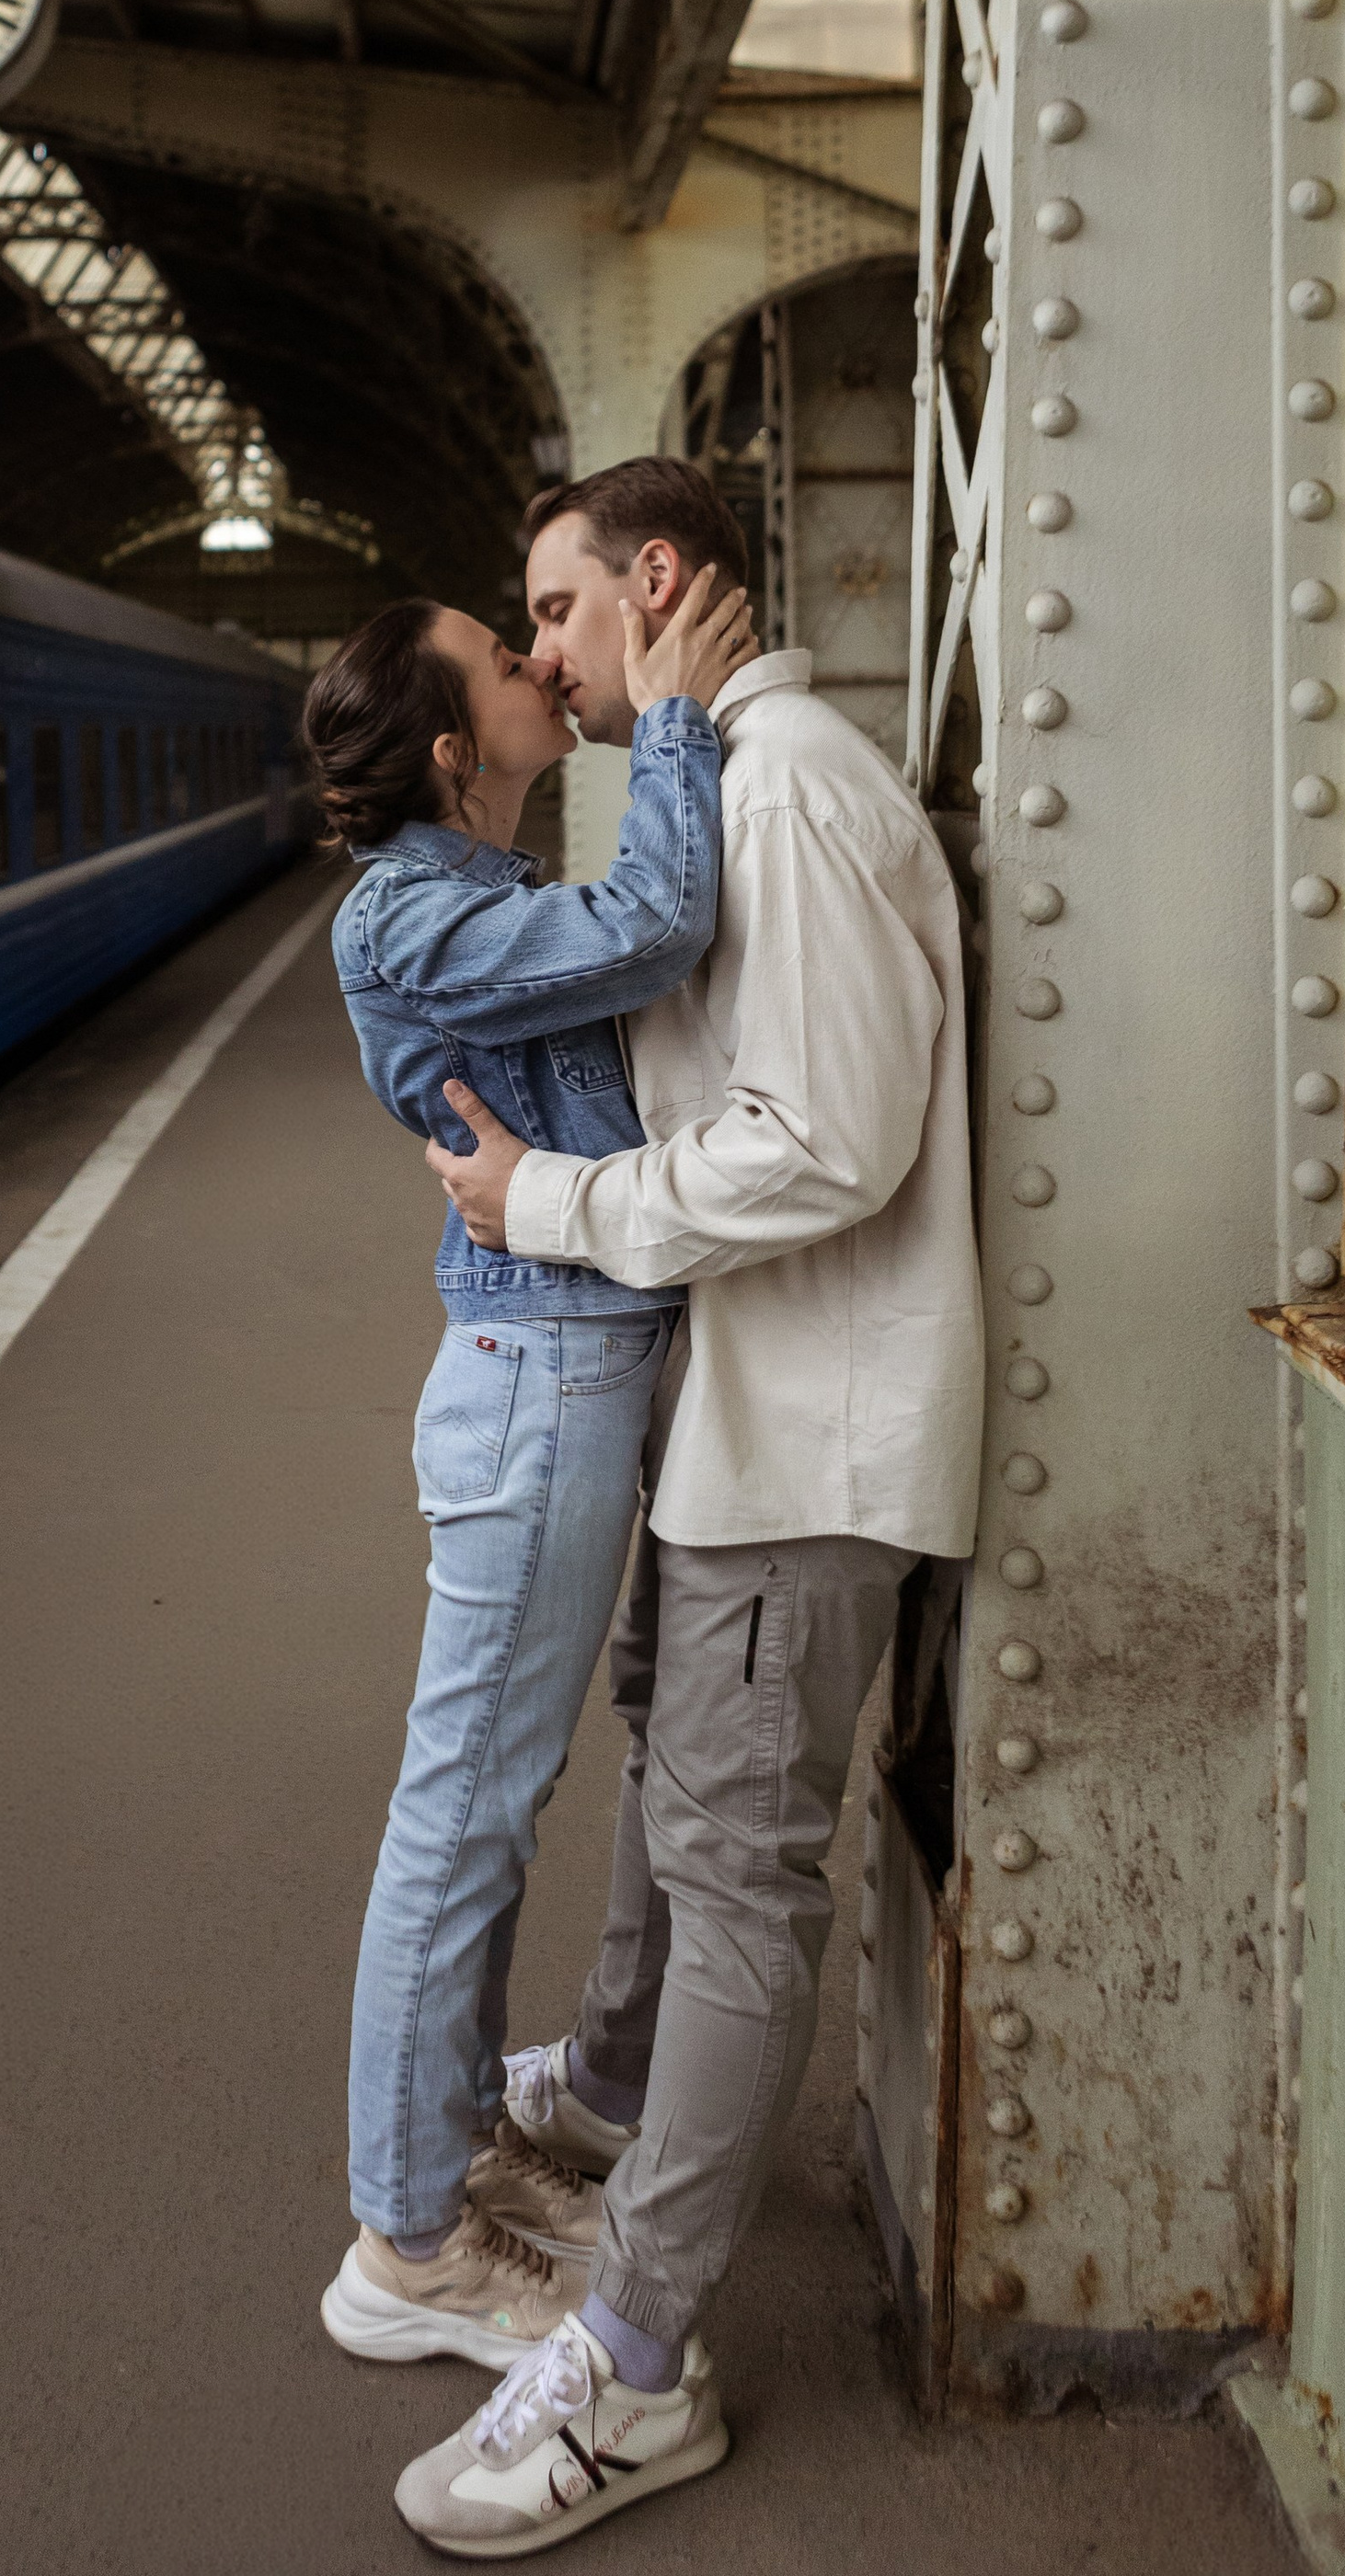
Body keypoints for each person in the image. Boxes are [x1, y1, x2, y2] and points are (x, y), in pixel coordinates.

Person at [392, 455, 983, 2559]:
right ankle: (625, 2109)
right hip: (739, 1421)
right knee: (681, 1805)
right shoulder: (733, 775)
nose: (537, 653)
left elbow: (820, 1138)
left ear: (652, 581)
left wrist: (548, 1203)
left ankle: (631, 2370)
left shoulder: (790, 787)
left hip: (803, 1434)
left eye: (551, 611)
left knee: (736, 1873)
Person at [301, 566, 756, 2380]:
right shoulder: (408, 914)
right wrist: (680, 712)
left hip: (562, 1377)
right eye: (506, 658)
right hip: (532, 1385)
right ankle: (405, 2241)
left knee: (487, 1798)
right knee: (462, 1811)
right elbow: (656, 920)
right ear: (446, 743)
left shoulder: (469, 891)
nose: (536, 660)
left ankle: (452, 2163)